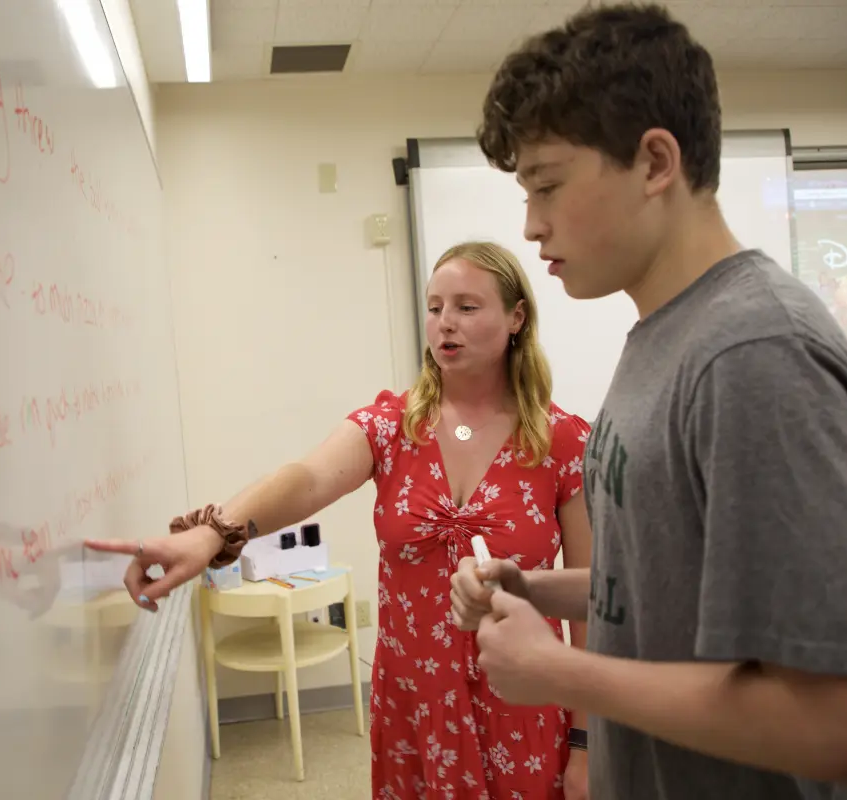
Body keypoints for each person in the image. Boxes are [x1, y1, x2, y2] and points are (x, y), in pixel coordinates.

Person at [450, 4, 847, 800]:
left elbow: (842, 725)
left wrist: (562, 672)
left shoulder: (755, 355)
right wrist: (534, 588)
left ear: (656, 161)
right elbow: (669, 582)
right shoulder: (664, 334)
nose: (531, 225)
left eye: (547, 186)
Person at [85, 241, 594, 799]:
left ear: (516, 317)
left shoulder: (563, 442)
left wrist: (586, 743)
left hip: (523, 704)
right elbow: (306, 478)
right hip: (416, 709)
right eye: (434, 307)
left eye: (467, 307)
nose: (445, 323)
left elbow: (590, 607)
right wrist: (213, 533)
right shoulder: (391, 426)